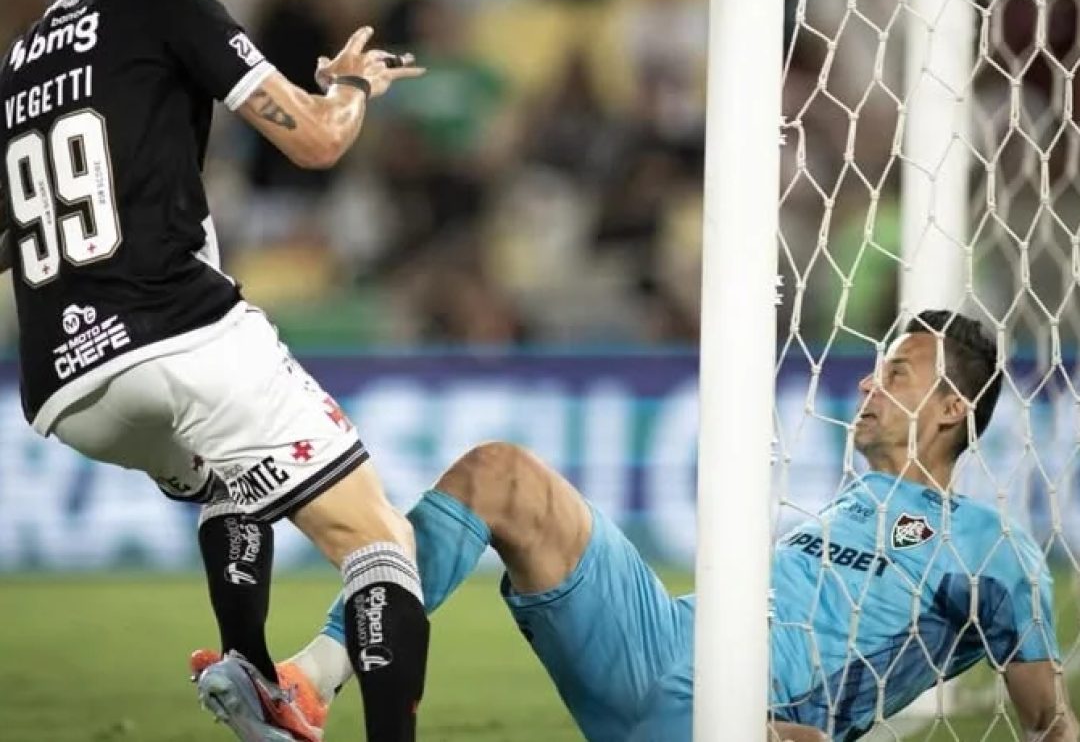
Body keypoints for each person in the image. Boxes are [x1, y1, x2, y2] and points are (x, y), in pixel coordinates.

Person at [194, 310, 1075, 740]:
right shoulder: (845, 500)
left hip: (742, 720)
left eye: (898, 373)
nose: (869, 385)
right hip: (663, 641)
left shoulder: (995, 552)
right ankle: (309, 679)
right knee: (500, 473)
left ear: (955, 408)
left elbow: (1047, 724)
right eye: (877, 366)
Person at [0, 0, 430, 742]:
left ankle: (251, 672)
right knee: (380, 541)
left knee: (226, 472)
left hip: (63, 385)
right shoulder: (168, 7)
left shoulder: (16, 66)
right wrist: (350, 86)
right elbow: (313, 141)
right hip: (179, 331)